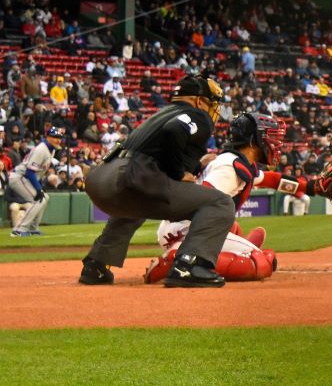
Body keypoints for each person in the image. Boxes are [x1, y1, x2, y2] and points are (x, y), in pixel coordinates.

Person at [77, 74, 233, 287]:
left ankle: (96, 265)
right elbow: (174, 131)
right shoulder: (197, 115)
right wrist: (178, 173)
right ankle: (189, 266)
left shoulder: (161, 114)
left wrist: (196, 166)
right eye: (211, 102)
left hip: (102, 178)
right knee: (220, 203)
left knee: (138, 203)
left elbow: (161, 152)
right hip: (131, 175)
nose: (213, 108)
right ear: (198, 100)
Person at [143, 113, 288, 283]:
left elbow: (271, 179)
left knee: (231, 225)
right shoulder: (230, 167)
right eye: (269, 137)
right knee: (263, 261)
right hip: (187, 229)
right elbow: (200, 202)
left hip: (180, 226)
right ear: (253, 140)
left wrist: (310, 187)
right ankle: (179, 261)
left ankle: (233, 245)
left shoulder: (235, 161)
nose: (274, 143)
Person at [7, 126, 62, 236]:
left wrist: (39, 187)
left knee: (44, 198)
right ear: (48, 137)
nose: (58, 140)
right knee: (38, 200)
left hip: (26, 178)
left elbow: (38, 173)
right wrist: (38, 189)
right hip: (20, 177)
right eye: (55, 137)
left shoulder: (51, 150)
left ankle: (32, 228)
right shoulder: (42, 149)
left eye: (59, 137)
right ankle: (19, 230)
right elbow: (29, 172)